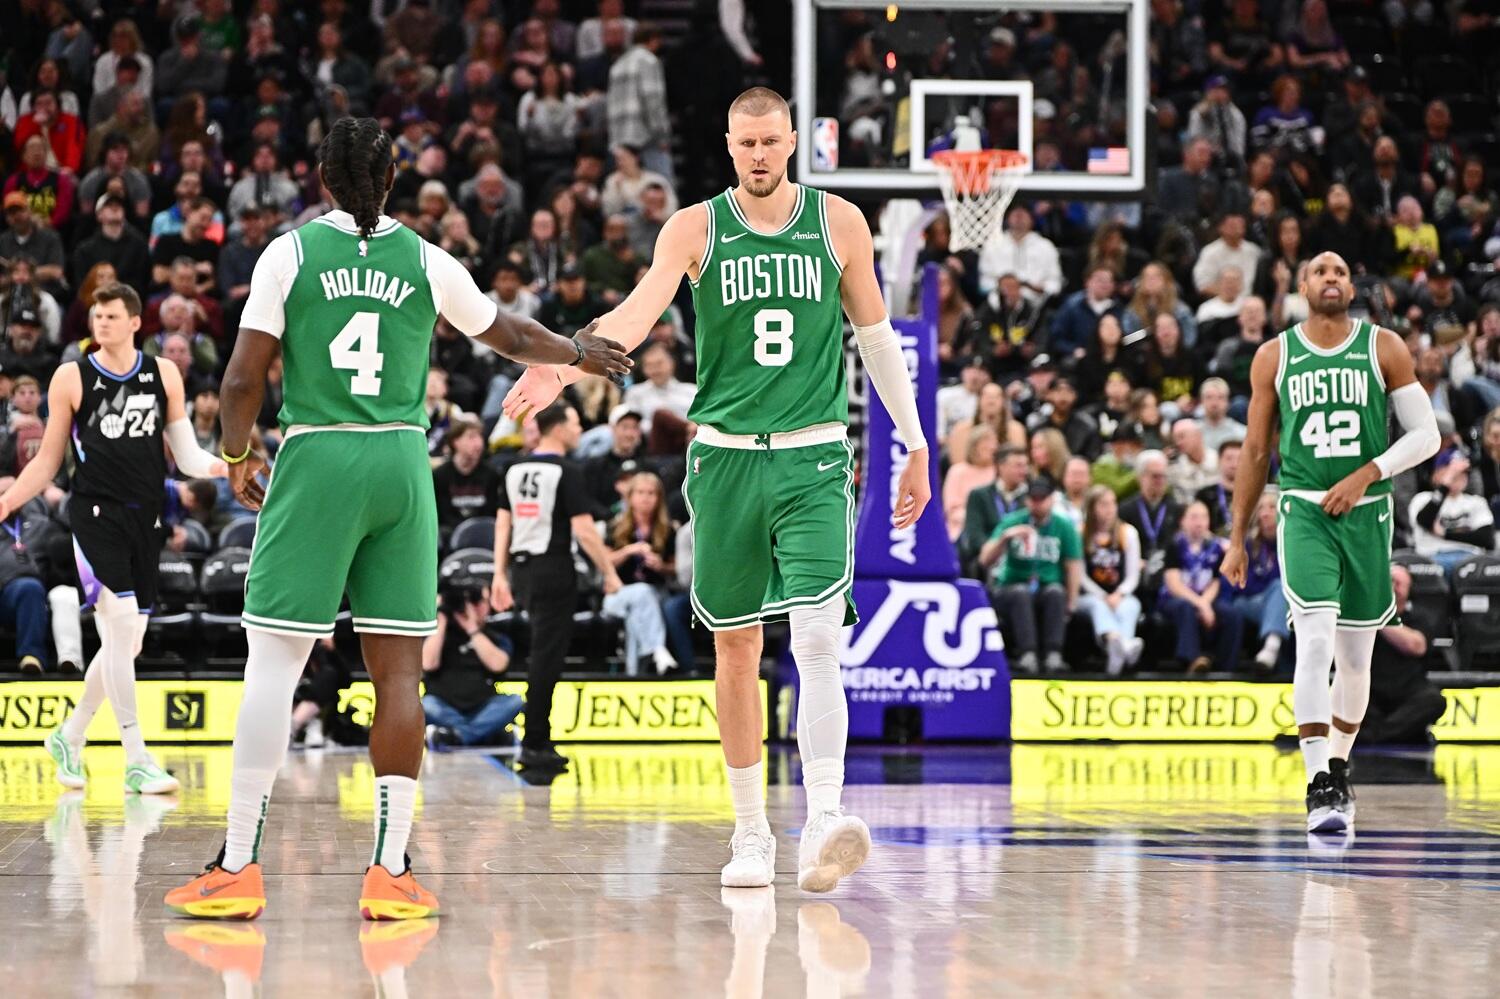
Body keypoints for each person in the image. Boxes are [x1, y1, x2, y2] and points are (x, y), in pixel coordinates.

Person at [163, 117, 630, 923]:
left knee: (272, 664)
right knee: (399, 674)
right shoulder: (425, 257)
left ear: (321, 179)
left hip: (318, 456)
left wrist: (236, 454)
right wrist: (577, 352)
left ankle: (238, 864)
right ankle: (391, 869)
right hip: (403, 464)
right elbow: (509, 333)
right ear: (391, 180)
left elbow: (240, 381)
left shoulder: (289, 253)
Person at [500, 88, 930, 894]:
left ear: (792, 141)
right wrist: (565, 362)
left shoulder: (839, 223)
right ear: (728, 145)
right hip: (726, 459)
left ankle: (825, 818)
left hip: (812, 456)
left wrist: (915, 442)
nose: (759, 154)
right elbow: (638, 312)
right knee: (737, 648)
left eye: (771, 141)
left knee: (818, 638)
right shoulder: (695, 227)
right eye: (745, 143)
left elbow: (876, 339)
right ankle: (751, 831)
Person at [1223, 251, 1440, 835]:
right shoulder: (1275, 355)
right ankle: (1318, 780)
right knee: (1315, 639)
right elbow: (1255, 452)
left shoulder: (1383, 346)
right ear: (1302, 286)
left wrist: (1367, 473)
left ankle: (1340, 768)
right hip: (1304, 510)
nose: (1331, 278)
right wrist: (1236, 537)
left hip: (1367, 513)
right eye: (1320, 271)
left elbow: (1427, 435)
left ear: (1351, 286)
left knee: (1355, 658)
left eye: (1341, 272)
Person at [0, 282, 227, 793]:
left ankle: (69, 735)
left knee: (129, 639)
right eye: (96, 316)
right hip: (95, 514)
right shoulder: (72, 376)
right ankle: (136, 759)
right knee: (121, 625)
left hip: (146, 519)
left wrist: (223, 468)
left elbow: (186, 456)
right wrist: (8, 501)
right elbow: (48, 461)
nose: (101, 323)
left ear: (135, 323)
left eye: (111, 316)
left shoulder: (163, 373)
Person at [493, 403, 624, 761]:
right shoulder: (567, 471)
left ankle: (536, 735)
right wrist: (609, 572)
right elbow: (585, 530)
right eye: (575, 423)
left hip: (522, 569)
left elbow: (503, 524)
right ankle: (535, 740)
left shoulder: (514, 467)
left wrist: (499, 574)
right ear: (558, 428)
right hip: (553, 566)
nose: (580, 430)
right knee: (547, 656)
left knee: (540, 651)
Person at [979, 478, 1082, 675]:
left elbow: (1073, 564)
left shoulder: (1063, 526)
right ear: (1027, 500)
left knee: (1055, 592)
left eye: (1042, 499)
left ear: (1051, 499)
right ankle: (1028, 654)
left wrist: (1072, 601)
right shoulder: (1012, 521)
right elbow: (985, 559)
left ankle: (1053, 654)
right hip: (1011, 586)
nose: (1037, 503)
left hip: (1046, 586)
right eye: (1033, 499)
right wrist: (1005, 538)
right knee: (1021, 593)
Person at [421, 584, 522, 750]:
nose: (470, 608)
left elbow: (498, 665)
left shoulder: (495, 635)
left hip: (483, 707)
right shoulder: (438, 635)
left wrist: (473, 630)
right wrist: (441, 618)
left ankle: (456, 736)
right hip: (444, 705)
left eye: (477, 601)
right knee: (426, 704)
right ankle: (484, 736)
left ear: (488, 604)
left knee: (514, 701)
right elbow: (428, 663)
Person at [1360, 565, 1449, 744]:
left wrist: (1380, 617)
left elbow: (1416, 646)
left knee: (1434, 701)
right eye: (1389, 582)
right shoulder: (1363, 618)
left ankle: (1377, 736)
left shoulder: (1419, 618)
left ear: (1410, 591)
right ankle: (1396, 734)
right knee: (1346, 697)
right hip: (1372, 691)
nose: (1393, 587)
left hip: (1408, 691)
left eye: (1399, 583)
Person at [603, 469, 680, 675]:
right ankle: (657, 650)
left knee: (637, 611)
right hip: (619, 593)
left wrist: (660, 566)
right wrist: (629, 550)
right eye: (640, 492)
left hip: (658, 593)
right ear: (630, 497)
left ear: (659, 498)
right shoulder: (615, 526)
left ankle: (634, 673)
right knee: (642, 594)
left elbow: (676, 568)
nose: (646, 498)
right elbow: (604, 562)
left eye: (651, 493)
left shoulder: (668, 529)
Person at [1159, 500, 1242, 674]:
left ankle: (1226, 669)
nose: (1199, 522)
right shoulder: (1174, 544)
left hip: (1206, 597)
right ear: (1183, 521)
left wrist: (1205, 602)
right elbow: (1174, 584)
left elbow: (1215, 581)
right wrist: (1201, 604)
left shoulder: (1216, 547)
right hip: (1176, 599)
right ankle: (1192, 660)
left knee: (1232, 614)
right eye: (1194, 517)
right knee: (1185, 607)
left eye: (1204, 517)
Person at [1076, 485, 1144, 675]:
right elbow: (1079, 575)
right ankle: (1118, 641)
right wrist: (1102, 596)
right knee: (1098, 606)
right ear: (1092, 508)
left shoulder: (1127, 532)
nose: (1110, 509)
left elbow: (1132, 575)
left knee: (1130, 606)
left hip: (1120, 593)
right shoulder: (1080, 533)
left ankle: (1119, 649)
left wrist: (1119, 594)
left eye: (1113, 503)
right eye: (1104, 504)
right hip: (1089, 595)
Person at [1227, 491, 1291, 672]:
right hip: (1249, 601)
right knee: (1278, 588)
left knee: (1280, 592)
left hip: (1283, 602)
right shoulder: (1246, 544)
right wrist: (1269, 590)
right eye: (1261, 508)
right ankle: (1271, 646)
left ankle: (1272, 647)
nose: (1265, 513)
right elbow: (1242, 584)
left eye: (1271, 507)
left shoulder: (1289, 542)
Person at [1409, 447, 1496, 574]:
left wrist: (1445, 534)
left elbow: (1486, 539)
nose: (1459, 476)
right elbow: (1424, 520)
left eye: (1464, 472)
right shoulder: (1423, 499)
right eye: (1452, 471)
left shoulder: (1476, 502)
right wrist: (1444, 485)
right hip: (1432, 558)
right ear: (1436, 473)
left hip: (1470, 559)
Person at [433, 416, 502, 533]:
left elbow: (491, 513)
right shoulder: (440, 475)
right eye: (471, 437)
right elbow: (442, 515)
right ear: (455, 441)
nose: (478, 443)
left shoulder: (491, 474)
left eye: (479, 436)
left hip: (483, 532)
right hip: (450, 533)